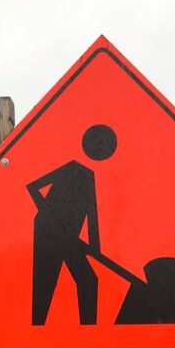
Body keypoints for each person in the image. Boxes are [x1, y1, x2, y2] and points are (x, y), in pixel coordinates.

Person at [27, 124, 117, 326]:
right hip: (46, 231)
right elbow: (33, 187)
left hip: (69, 237)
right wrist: (48, 214)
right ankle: (36, 330)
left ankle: (89, 333)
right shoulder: (72, 168)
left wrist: (94, 249)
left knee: (89, 281)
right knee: (45, 282)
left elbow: (92, 216)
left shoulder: (89, 177)